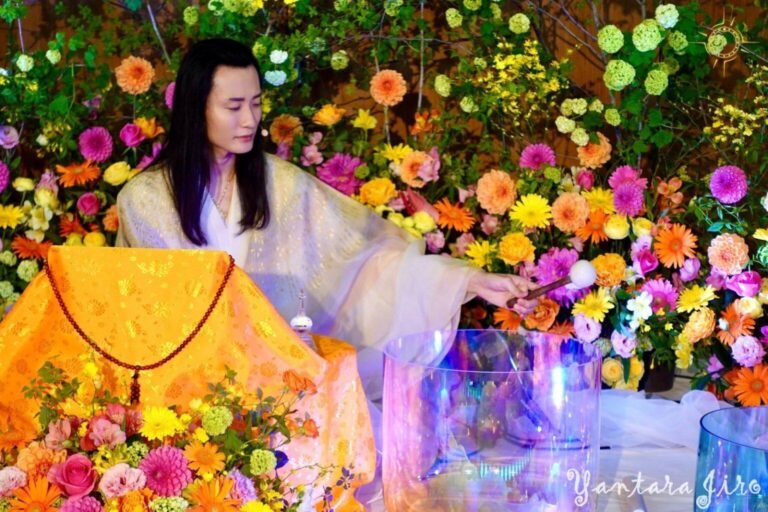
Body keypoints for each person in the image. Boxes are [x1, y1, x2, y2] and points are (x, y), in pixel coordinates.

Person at [115, 38, 536, 395]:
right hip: (182, 394)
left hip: (285, 389)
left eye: (256, 104)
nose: (249, 120)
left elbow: (372, 267)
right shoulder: (145, 201)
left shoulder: (284, 185)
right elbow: (144, 319)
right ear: (196, 108)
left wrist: (470, 281)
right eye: (233, 106)